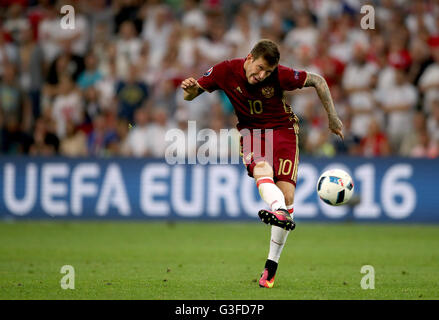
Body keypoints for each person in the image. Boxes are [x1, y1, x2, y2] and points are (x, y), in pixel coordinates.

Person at [181, 39, 343, 288]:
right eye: (259, 68)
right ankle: (278, 209)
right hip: (252, 133)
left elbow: (318, 81)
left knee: (288, 195)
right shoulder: (225, 70)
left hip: (283, 130)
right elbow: (190, 95)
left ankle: (271, 266)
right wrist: (190, 88)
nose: (262, 75)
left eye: (268, 71)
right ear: (249, 58)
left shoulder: (281, 75)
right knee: (262, 172)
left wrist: (333, 118)